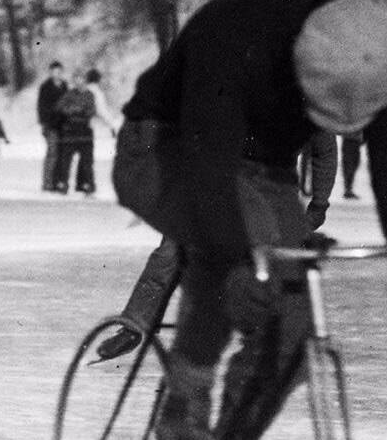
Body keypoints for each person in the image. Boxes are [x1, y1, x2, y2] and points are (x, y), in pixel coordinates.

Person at [110, 0, 387, 440]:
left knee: (295, 330)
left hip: (264, 168)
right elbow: (209, 171)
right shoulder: (233, 34)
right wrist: (236, 261)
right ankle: (184, 402)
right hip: (166, 146)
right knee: (233, 254)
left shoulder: (376, 60)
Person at [96, 129, 338, 362]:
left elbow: (325, 149)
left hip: (272, 197)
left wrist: (319, 204)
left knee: (280, 270)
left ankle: (268, 343)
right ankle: (135, 324)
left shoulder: (303, 104)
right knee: (172, 251)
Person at [53, 71, 97, 194]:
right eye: (76, 79)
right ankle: (63, 184)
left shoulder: (90, 95)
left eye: (81, 79)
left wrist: (81, 111)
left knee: (87, 162)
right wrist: (71, 110)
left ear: (85, 81)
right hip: (70, 132)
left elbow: (92, 110)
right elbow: (59, 107)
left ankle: (89, 184)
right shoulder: (69, 94)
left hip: (85, 132)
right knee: (66, 161)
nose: (79, 82)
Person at [37, 61, 68, 191]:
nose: (57, 74)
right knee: (52, 153)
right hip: (50, 125)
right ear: (50, 72)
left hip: (63, 125)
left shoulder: (64, 85)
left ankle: (58, 182)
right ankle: (47, 183)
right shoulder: (45, 87)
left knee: (61, 154)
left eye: (59, 71)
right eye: (54, 71)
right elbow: (41, 107)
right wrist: (45, 123)